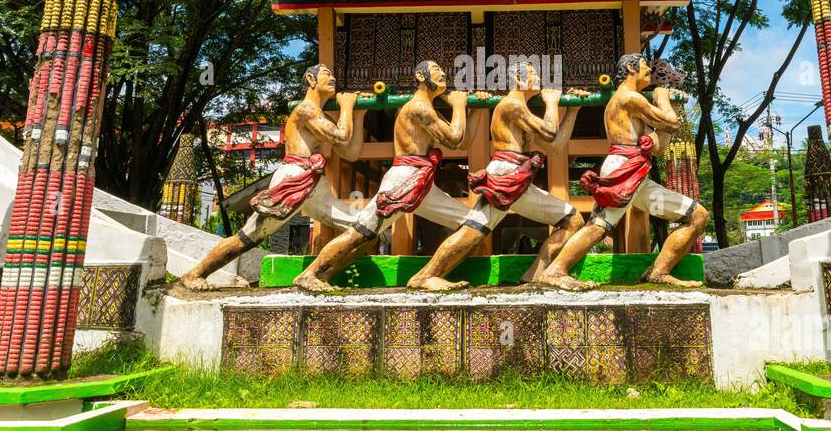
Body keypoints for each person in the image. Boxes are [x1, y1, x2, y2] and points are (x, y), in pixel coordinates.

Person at [293, 60, 475, 292]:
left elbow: (463, 142)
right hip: (403, 179)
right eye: (437, 70)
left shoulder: (429, 108)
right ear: (421, 76)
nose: (443, 74)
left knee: (473, 224)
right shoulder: (419, 107)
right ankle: (310, 274)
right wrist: (459, 104)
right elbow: (453, 138)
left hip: (421, 179)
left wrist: (473, 110)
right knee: (361, 232)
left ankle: (427, 276)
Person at [178, 64, 363, 289]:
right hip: (293, 178)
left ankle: (311, 275)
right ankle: (195, 273)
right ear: (311, 80)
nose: (333, 78)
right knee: (248, 237)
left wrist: (359, 115)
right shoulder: (306, 109)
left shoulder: (321, 116)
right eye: (326, 74)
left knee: (361, 227)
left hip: (314, 181)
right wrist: (347, 106)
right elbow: (343, 137)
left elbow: (351, 153)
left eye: (333, 74)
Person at [407, 58, 586, 290]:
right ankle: (424, 276)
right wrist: (552, 101)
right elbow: (550, 131)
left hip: (514, 176)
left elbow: (555, 146)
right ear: (519, 79)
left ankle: (536, 274)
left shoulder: (521, 110)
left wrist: (572, 111)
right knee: (474, 232)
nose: (539, 78)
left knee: (475, 231)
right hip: (506, 174)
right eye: (533, 73)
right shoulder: (513, 104)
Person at [537, 54, 709, 289]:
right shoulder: (629, 98)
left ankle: (659, 272)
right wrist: (662, 96)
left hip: (634, 171)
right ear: (630, 67)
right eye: (645, 64)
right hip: (624, 169)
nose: (649, 68)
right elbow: (671, 122)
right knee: (598, 226)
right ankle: (555, 270)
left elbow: (657, 145)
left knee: (697, 215)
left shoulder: (630, 101)